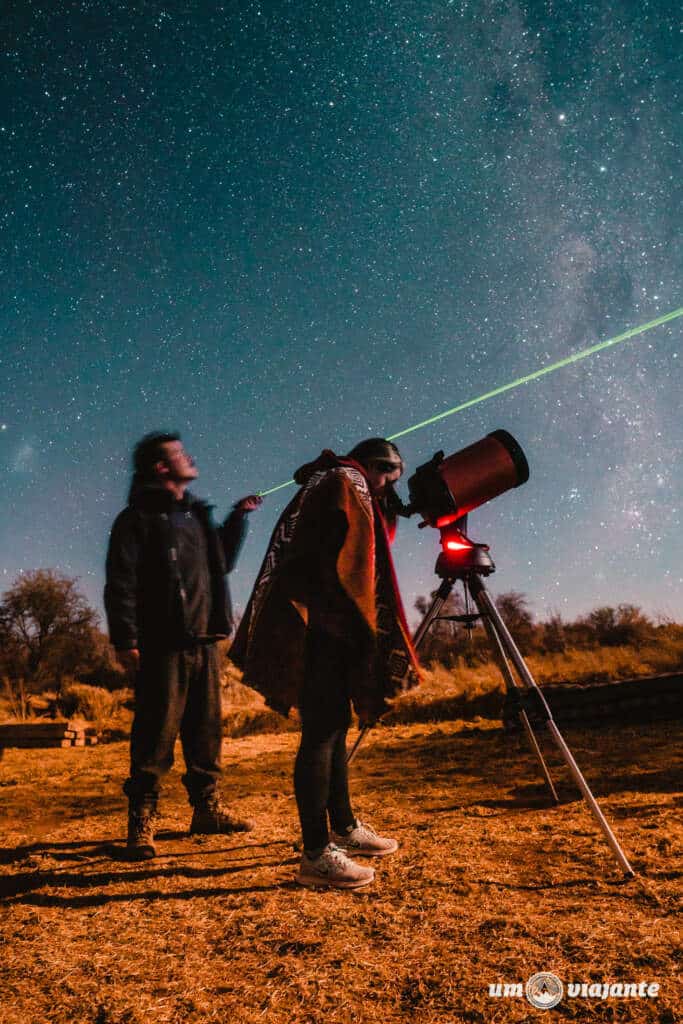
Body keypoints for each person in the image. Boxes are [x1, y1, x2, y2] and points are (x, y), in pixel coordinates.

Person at [230, 438, 420, 889]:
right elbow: (339, 559)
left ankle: (344, 827)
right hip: (320, 625)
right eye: (387, 476)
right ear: (376, 463)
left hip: (326, 623)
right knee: (321, 733)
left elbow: (365, 544)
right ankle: (316, 853)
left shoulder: (341, 482)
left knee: (335, 726)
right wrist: (353, 625)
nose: (386, 486)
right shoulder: (341, 482)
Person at [104, 432, 261, 859]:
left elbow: (222, 563)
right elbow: (120, 582)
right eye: (179, 454)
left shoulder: (197, 517)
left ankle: (206, 809)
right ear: (161, 467)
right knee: (155, 734)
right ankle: (142, 820)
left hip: (206, 641)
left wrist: (238, 518)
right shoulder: (135, 519)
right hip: (161, 645)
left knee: (205, 732)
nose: (189, 456)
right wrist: (126, 640)